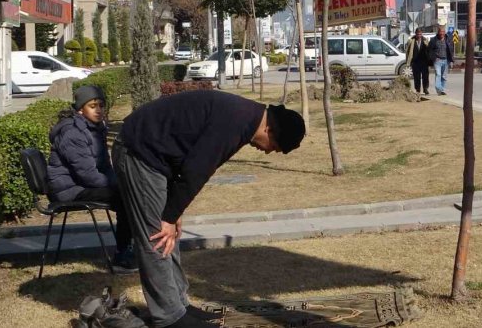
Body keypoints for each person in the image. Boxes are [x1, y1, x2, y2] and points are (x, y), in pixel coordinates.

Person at [112, 90, 306, 328]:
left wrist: (174, 211)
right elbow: (196, 171)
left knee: (169, 238)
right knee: (157, 237)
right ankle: (169, 317)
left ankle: (179, 306)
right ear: (269, 130)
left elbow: (187, 159)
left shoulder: (244, 119)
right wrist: (169, 216)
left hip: (156, 158)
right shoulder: (235, 121)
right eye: (273, 147)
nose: (267, 151)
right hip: (138, 152)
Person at [47, 85, 137, 274]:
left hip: (81, 185)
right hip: (70, 190)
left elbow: (105, 167)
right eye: (93, 106)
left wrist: (120, 182)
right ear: (81, 109)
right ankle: (123, 255)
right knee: (126, 197)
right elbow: (88, 175)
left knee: (129, 191)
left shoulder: (95, 129)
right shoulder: (73, 133)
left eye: (101, 105)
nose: (99, 110)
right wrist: (119, 186)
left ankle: (132, 247)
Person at [428, 26, 454, 96]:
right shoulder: (433, 40)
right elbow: (429, 50)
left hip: (446, 60)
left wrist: (451, 60)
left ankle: (442, 90)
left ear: (445, 32)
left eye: (443, 32)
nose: (441, 33)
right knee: (438, 74)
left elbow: (451, 50)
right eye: (440, 32)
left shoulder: (448, 39)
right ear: (438, 32)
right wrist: (433, 57)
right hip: (437, 60)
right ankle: (438, 89)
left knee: (444, 76)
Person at [405, 28, 430, 94]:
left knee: (425, 76)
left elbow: (429, 50)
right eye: (418, 34)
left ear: (421, 34)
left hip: (424, 62)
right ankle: (418, 89)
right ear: (415, 34)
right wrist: (408, 61)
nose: (419, 35)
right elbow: (407, 51)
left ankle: (425, 89)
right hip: (415, 62)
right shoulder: (411, 41)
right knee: (417, 77)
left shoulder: (425, 40)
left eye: (420, 34)